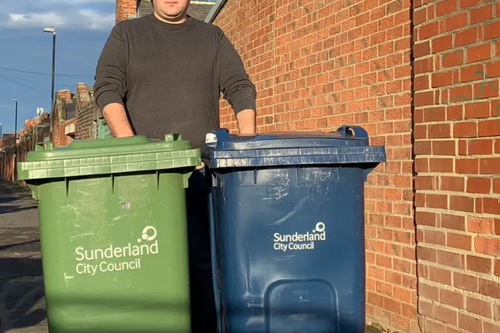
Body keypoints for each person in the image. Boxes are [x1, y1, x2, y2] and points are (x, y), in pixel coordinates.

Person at [93, 0, 257, 332]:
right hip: (144, 178)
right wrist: (132, 148)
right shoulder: (126, 34)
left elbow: (239, 87)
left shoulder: (212, 37)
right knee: (146, 265)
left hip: (198, 174)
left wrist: (248, 142)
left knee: (202, 266)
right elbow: (107, 88)